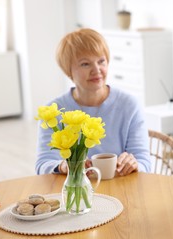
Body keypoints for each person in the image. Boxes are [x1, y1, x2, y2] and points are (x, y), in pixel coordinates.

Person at [35, 28, 151, 176]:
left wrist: (134, 164)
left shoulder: (129, 105)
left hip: (121, 192)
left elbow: (144, 162)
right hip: (72, 194)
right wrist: (63, 166)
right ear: (68, 71)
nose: (97, 70)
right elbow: (42, 165)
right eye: (85, 64)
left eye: (101, 61)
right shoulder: (52, 112)